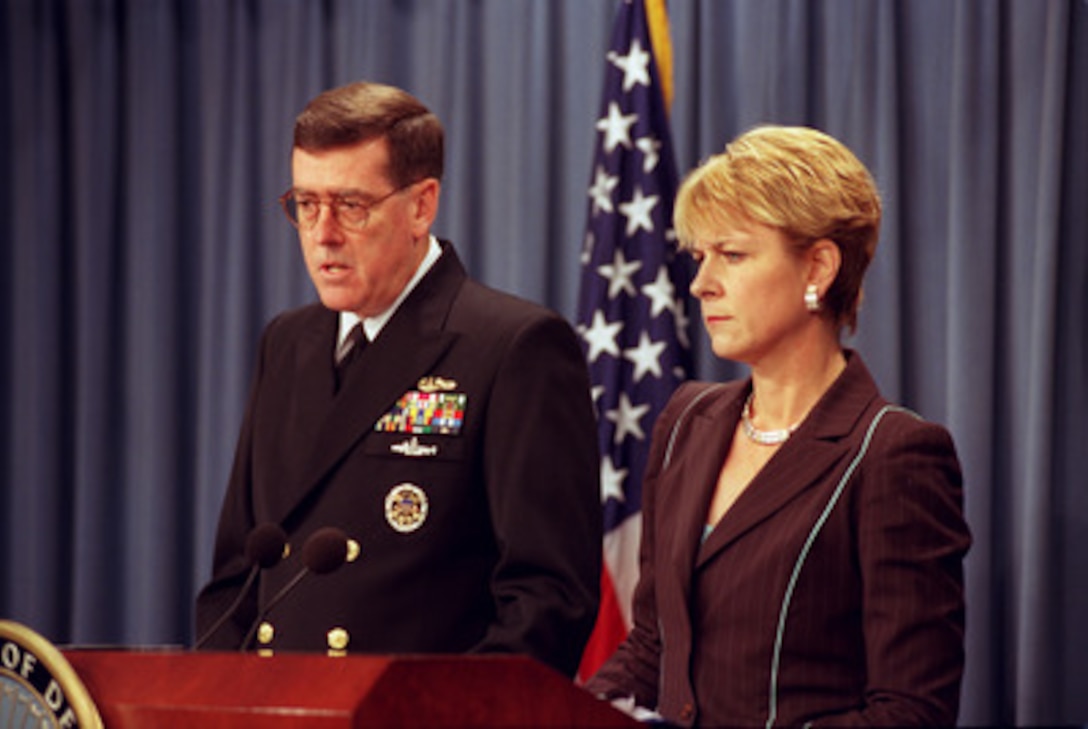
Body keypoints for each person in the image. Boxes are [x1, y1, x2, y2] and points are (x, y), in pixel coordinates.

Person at [195, 81, 601, 678]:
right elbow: (236, 576)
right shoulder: (288, 342)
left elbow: (547, 601)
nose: (323, 233)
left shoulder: (513, 345)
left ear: (421, 205)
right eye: (306, 205)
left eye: (351, 206)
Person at [584, 125, 971, 725]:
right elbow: (653, 646)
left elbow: (911, 711)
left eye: (732, 255)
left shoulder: (893, 453)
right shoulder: (686, 420)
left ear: (818, 266)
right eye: (699, 256)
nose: (701, 282)